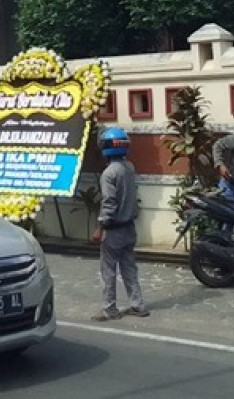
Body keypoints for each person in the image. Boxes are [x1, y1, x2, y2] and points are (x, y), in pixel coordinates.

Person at [92, 126, 149, 321]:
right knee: (129, 268)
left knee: (108, 270)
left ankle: (109, 309)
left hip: (114, 229)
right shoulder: (129, 168)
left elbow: (109, 202)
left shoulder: (109, 174)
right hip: (129, 228)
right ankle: (138, 305)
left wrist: (100, 227)